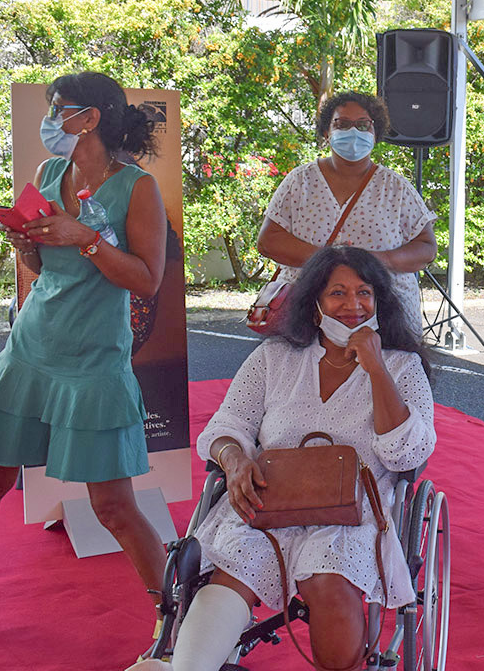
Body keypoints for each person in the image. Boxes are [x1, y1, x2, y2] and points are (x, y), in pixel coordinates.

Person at [0, 71, 168, 647]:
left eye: (60, 108)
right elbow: (41, 268)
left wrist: (84, 237)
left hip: (94, 361)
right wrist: (26, 243)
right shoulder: (48, 172)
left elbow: (147, 281)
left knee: (114, 507)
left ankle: (173, 612)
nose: (51, 117)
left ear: (93, 117)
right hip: (31, 348)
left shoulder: (137, 188)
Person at [159, 246, 436, 671]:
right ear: (314, 305)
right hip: (271, 500)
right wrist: (234, 460)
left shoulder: (402, 366)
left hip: (355, 511)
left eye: (364, 293)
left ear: (379, 302)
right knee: (236, 569)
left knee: (326, 577)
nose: (353, 305)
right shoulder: (275, 359)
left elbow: (407, 453)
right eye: (337, 293)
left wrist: (376, 367)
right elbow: (226, 425)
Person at [257, 91, 437, 333]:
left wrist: (378, 262)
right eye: (341, 124)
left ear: (376, 134)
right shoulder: (299, 181)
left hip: (385, 320)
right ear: (326, 132)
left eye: (363, 125)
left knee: (381, 371)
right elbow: (269, 241)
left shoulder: (396, 187)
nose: (354, 132)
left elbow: (426, 247)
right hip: (306, 316)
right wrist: (329, 263)